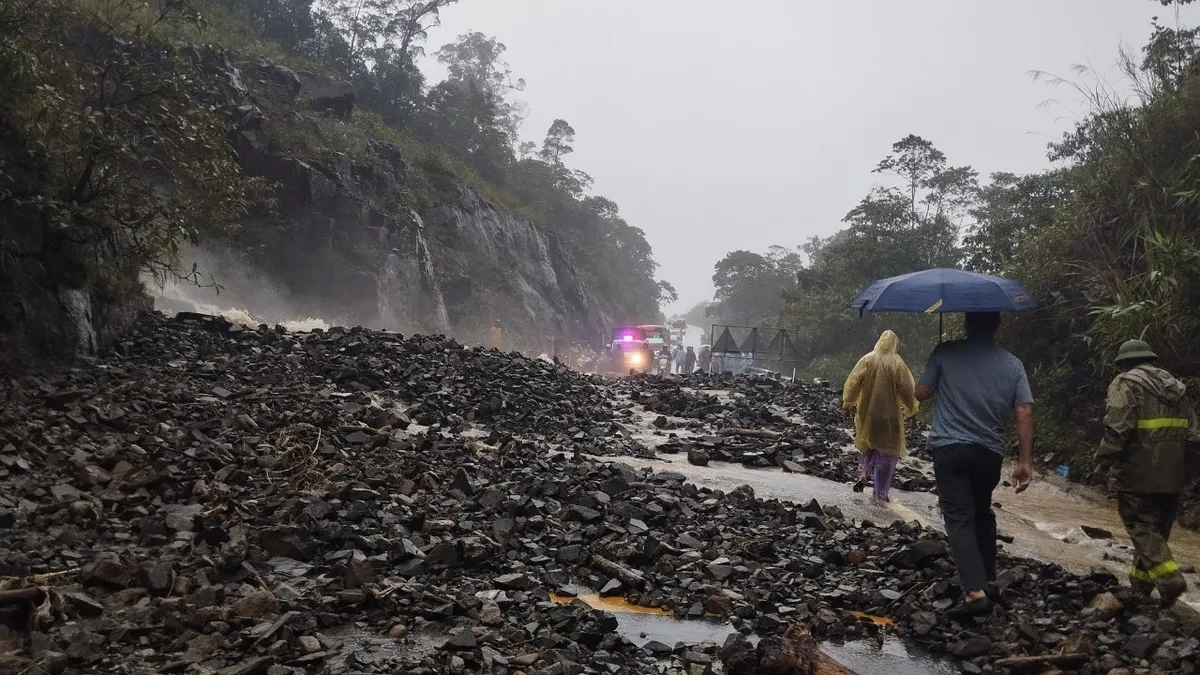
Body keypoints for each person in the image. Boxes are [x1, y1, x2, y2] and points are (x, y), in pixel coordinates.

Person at [915, 312, 1034, 616]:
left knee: (959, 517)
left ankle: (974, 592)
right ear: (997, 326)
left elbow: (921, 393)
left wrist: (933, 366)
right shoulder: (1013, 364)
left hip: (949, 448)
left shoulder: (945, 351)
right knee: (982, 512)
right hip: (989, 453)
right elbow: (1023, 413)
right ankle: (989, 578)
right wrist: (1024, 462)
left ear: (967, 324)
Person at [1095, 339, 1193, 606]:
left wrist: (1103, 461)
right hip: (1173, 474)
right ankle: (1140, 588)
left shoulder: (1125, 383)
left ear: (1125, 363)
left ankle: (1171, 580)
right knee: (1156, 531)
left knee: (1140, 526)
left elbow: (1117, 428)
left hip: (1137, 472)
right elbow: (1193, 435)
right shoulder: (1177, 388)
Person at [842, 330, 919, 503]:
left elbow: (853, 383)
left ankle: (864, 474)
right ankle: (880, 493)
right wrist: (912, 411)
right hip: (889, 416)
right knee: (887, 452)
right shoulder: (897, 364)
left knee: (868, 444)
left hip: (867, 413)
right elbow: (907, 389)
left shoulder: (867, 359)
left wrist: (847, 405)